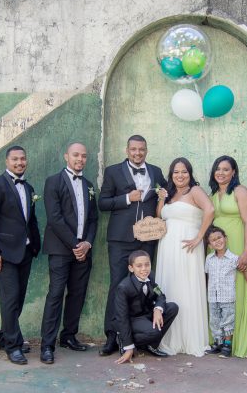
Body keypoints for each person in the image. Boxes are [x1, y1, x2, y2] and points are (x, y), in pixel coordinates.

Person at [98, 135, 166, 356]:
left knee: (147, 285)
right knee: (118, 285)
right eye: (134, 149)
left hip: (147, 239)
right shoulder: (112, 171)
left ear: (146, 150)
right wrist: (127, 198)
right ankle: (112, 336)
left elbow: (167, 193)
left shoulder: (156, 172)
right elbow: (102, 203)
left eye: (141, 149)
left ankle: (145, 336)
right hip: (120, 240)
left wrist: (168, 194)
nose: (138, 153)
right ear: (127, 150)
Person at [0, 146, 41, 365]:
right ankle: (13, 346)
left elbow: (30, 220)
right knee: (10, 297)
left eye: (22, 159)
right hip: (3, 254)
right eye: (15, 159)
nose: (19, 162)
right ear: (7, 161)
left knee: (18, 298)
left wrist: (35, 245)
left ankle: (5, 336)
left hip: (25, 252)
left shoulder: (29, 187)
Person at [39, 143, 98, 365]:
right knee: (55, 294)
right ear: (66, 156)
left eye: (84, 156)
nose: (80, 159)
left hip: (84, 250)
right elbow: (54, 218)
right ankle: (47, 344)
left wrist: (87, 243)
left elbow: (93, 219)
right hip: (61, 249)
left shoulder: (89, 185)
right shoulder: (53, 181)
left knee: (77, 294)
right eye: (76, 155)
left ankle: (69, 336)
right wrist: (76, 245)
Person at [155, 157, 214, 357]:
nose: (180, 175)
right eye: (176, 172)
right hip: (167, 247)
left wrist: (199, 237)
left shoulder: (195, 191)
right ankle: (170, 337)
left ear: (190, 174)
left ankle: (190, 338)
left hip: (188, 246)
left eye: (184, 172)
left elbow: (210, 210)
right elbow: (159, 216)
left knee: (187, 287)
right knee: (170, 286)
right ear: (171, 175)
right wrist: (161, 198)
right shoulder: (169, 193)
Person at [208, 155, 247, 357]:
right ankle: (219, 339)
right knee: (220, 291)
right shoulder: (214, 193)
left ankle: (238, 341)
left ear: (234, 172)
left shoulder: (240, 191)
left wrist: (246, 250)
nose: (221, 173)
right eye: (218, 169)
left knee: (237, 288)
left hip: (236, 243)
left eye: (226, 169)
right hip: (217, 245)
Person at [113, 250, 179, 364]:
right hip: (133, 319)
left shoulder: (150, 277)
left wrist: (157, 309)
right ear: (131, 268)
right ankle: (123, 341)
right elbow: (122, 318)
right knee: (155, 332)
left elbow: (160, 295)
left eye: (147, 265)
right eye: (139, 266)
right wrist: (129, 348)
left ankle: (151, 345)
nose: (144, 269)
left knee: (173, 307)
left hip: (147, 314)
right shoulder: (124, 287)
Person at [204, 226, 247, 358]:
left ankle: (227, 346)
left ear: (225, 238)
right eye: (213, 240)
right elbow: (208, 276)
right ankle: (218, 343)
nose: (217, 241)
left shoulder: (233, 258)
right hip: (212, 297)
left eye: (219, 237)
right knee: (214, 321)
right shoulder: (209, 259)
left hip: (227, 296)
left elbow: (245, 272)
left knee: (227, 321)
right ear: (210, 245)